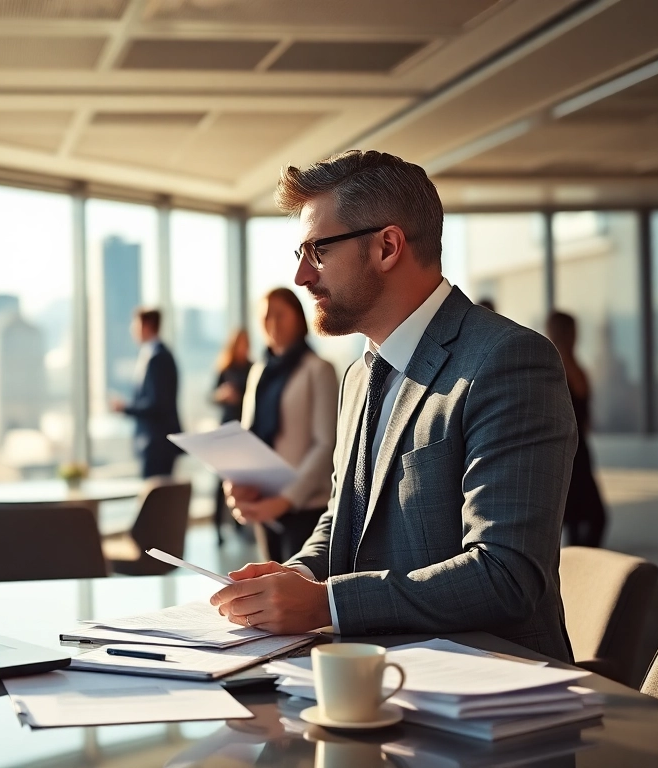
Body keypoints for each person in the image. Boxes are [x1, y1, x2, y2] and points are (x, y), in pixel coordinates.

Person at [211, 150, 577, 662]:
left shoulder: (507, 361)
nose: (301, 276)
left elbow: (505, 574)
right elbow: (343, 520)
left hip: (486, 696)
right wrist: (296, 576)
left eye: (317, 251)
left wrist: (328, 603)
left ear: (387, 247)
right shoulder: (359, 376)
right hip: (372, 680)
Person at [227, 290, 338, 563]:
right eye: (266, 317)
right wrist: (237, 483)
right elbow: (248, 437)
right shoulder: (258, 371)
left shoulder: (318, 369)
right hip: (264, 503)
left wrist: (286, 499)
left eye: (280, 315)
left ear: (299, 319)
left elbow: (326, 445)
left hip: (305, 506)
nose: (272, 323)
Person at [547, 311, 607, 548]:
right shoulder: (553, 366)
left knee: (583, 517)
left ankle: (580, 566)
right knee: (581, 517)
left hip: (580, 450)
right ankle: (578, 568)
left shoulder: (575, 366)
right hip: (565, 452)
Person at [111, 308, 182, 478]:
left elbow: (158, 404)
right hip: (153, 443)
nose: (132, 330)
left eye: (134, 324)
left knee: (158, 498)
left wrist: (125, 408)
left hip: (158, 444)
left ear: (146, 325)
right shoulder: (153, 355)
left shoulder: (159, 358)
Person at [212, 329, 252, 545]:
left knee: (241, 478)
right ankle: (218, 527)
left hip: (243, 429)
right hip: (225, 430)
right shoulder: (225, 368)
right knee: (220, 482)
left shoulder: (253, 367)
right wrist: (223, 395)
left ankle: (240, 524)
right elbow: (212, 395)